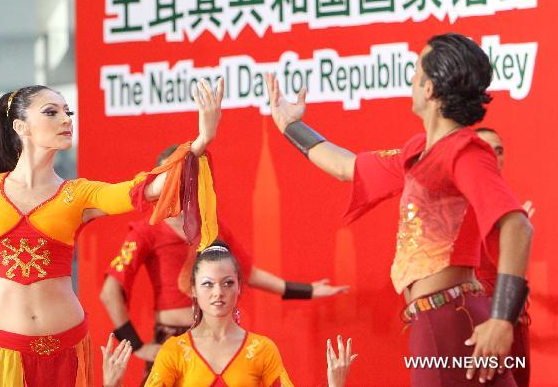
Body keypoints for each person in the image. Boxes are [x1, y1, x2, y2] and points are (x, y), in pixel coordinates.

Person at [266, 33, 533, 385]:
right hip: (437, 317)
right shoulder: (417, 154)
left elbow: (517, 225)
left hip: (451, 319)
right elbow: (347, 166)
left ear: (430, 89)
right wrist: (290, 125)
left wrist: (501, 318)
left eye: (417, 70)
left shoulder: (463, 150)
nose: (411, 78)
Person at [0, 78, 223, 386]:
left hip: (68, 347)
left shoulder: (78, 194)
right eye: (51, 112)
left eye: (68, 112)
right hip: (1, 352)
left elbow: (146, 189)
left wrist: (201, 141)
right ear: (20, 126)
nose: (66, 119)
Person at [100, 146, 349, 382]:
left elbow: (246, 273)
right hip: (173, 340)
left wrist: (307, 290)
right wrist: (136, 345)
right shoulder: (146, 231)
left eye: (182, 178)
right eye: (169, 179)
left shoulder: (211, 225)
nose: (177, 186)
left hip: (220, 339)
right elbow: (110, 291)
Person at [102, 242, 357, 387]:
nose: (218, 293)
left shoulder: (262, 349)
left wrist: (335, 386)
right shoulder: (174, 351)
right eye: (207, 284)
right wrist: (112, 385)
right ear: (193, 290)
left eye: (227, 283)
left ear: (239, 287)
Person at [475, 127, 532, 387]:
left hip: (513, 323)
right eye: (485, 150)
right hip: (475, 323)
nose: (493, 157)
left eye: (498, 151)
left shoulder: (510, 210)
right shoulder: (451, 206)